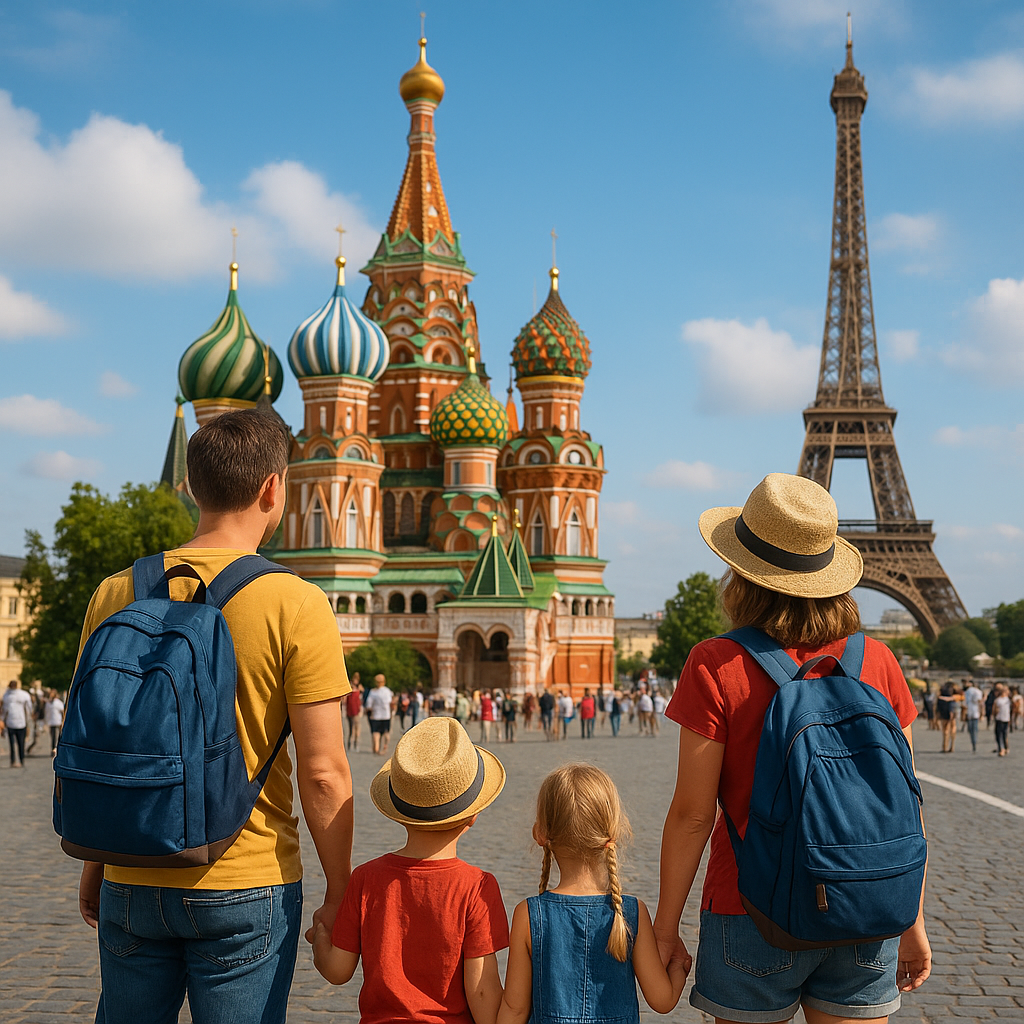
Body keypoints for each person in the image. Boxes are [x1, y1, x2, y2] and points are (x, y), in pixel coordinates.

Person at [74, 408, 353, 1024]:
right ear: (273, 488)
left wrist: (99, 860)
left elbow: (106, 738)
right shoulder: (296, 601)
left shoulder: (116, 590)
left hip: (132, 871)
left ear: (194, 486)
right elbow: (324, 770)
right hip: (246, 879)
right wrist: (340, 889)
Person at [654, 474, 930, 1024]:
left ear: (742, 572)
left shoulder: (715, 662)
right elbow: (904, 807)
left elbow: (691, 816)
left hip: (749, 908)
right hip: (866, 906)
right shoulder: (877, 660)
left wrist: (665, 929)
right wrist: (912, 922)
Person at [310, 718, 508, 1024]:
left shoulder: (365, 878)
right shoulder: (477, 886)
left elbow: (337, 970)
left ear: (398, 812)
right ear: (473, 816)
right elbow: (481, 992)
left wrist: (322, 937)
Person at [498, 763, 686, 1023]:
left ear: (540, 833)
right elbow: (662, 1000)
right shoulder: (631, 912)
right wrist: (678, 967)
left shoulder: (528, 915)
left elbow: (514, 1008)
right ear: (614, 833)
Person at [1, 679, 34, 767]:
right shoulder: (23, 694)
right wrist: (29, 718)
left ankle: (13, 761)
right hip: (20, 722)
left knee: (12, 744)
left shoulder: (6, 696)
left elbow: (4, 711)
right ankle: (21, 760)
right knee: (21, 743)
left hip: (11, 722)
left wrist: (2, 721)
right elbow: (29, 708)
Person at [366, 674, 395, 756]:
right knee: (386, 732)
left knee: (376, 732)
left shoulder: (373, 692)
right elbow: (391, 703)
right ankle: (384, 748)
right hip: (386, 715)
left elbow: (369, 705)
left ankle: (376, 747)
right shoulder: (387, 691)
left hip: (376, 715)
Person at [963, 678, 984, 753]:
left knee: (971, 729)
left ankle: (973, 743)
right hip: (975, 713)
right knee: (974, 729)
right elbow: (980, 703)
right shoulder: (978, 692)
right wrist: (982, 713)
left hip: (970, 712)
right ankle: (974, 743)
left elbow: (965, 703)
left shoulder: (968, 692)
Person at [937, 681, 958, 753]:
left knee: (945, 730)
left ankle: (945, 746)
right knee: (953, 728)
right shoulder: (955, 693)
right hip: (952, 710)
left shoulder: (941, 692)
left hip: (944, 710)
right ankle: (952, 746)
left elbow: (937, 701)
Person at [345, 673, 364, 752]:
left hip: (355, 710)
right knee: (353, 728)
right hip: (351, 710)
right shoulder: (351, 687)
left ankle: (354, 743)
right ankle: (352, 743)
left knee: (355, 728)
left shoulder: (358, 687)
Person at [44, 688, 64, 755]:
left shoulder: (58, 702)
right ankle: (53, 749)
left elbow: (62, 711)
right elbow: (46, 712)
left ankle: (57, 750)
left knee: (57, 737)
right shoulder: (48, 703)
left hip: (57, 722)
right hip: (51, 722)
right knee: (53, 737)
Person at [993, 683, 1011, 756]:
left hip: (1004, 719)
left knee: (1002, 734)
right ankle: (1002, 748)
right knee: (1000, 734)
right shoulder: (999, 700)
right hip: (1000, 718)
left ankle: (1004, 748)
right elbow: (995, 709)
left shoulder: (1007, 699)